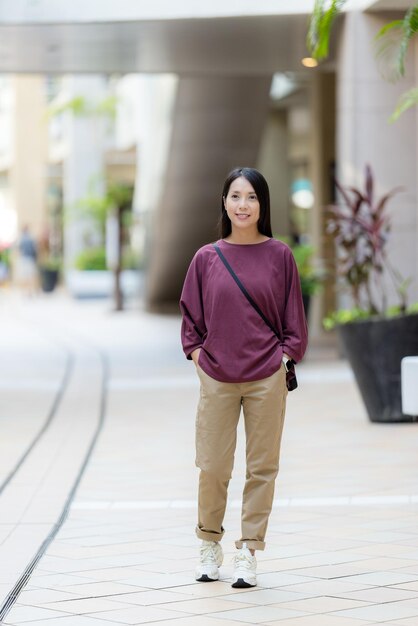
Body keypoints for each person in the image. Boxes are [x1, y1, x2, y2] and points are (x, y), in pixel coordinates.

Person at [180, 167, 308, 588]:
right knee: (213, 465)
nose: (242, 205)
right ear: (224, 202)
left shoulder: (280, 255)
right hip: (217, 375)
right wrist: (199, 356)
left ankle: (249, 550)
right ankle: (208, 543)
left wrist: (285, 358)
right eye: (235, 196)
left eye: (251, 197)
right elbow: (190, 320)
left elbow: (294, 320)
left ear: (262, 205)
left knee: (262, 467)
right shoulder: (206, 258)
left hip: (265, 377)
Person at [15, 225, 38, 295]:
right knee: (30, 276)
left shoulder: (22, 239)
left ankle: (25, 292)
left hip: (24, 259)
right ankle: (29, 291)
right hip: (30, 259)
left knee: (25, 276)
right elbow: (35, 250)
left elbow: (18, 249)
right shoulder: (31, 238)